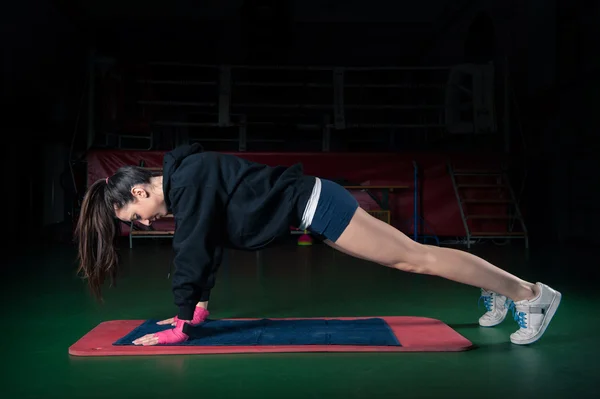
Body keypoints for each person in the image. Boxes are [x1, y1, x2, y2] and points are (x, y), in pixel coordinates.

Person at [75, 143, 561, 346]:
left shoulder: (190, 182)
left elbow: (192, 249)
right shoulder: (189, 183)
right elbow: (208, 243)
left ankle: (530, 295)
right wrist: (198, 306)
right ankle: (498, 288)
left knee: (416, 259)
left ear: (140, 191)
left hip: (319, 205)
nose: (145, 223)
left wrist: (181, 323)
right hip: (315, 212)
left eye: (135, 218)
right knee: (414, 258)